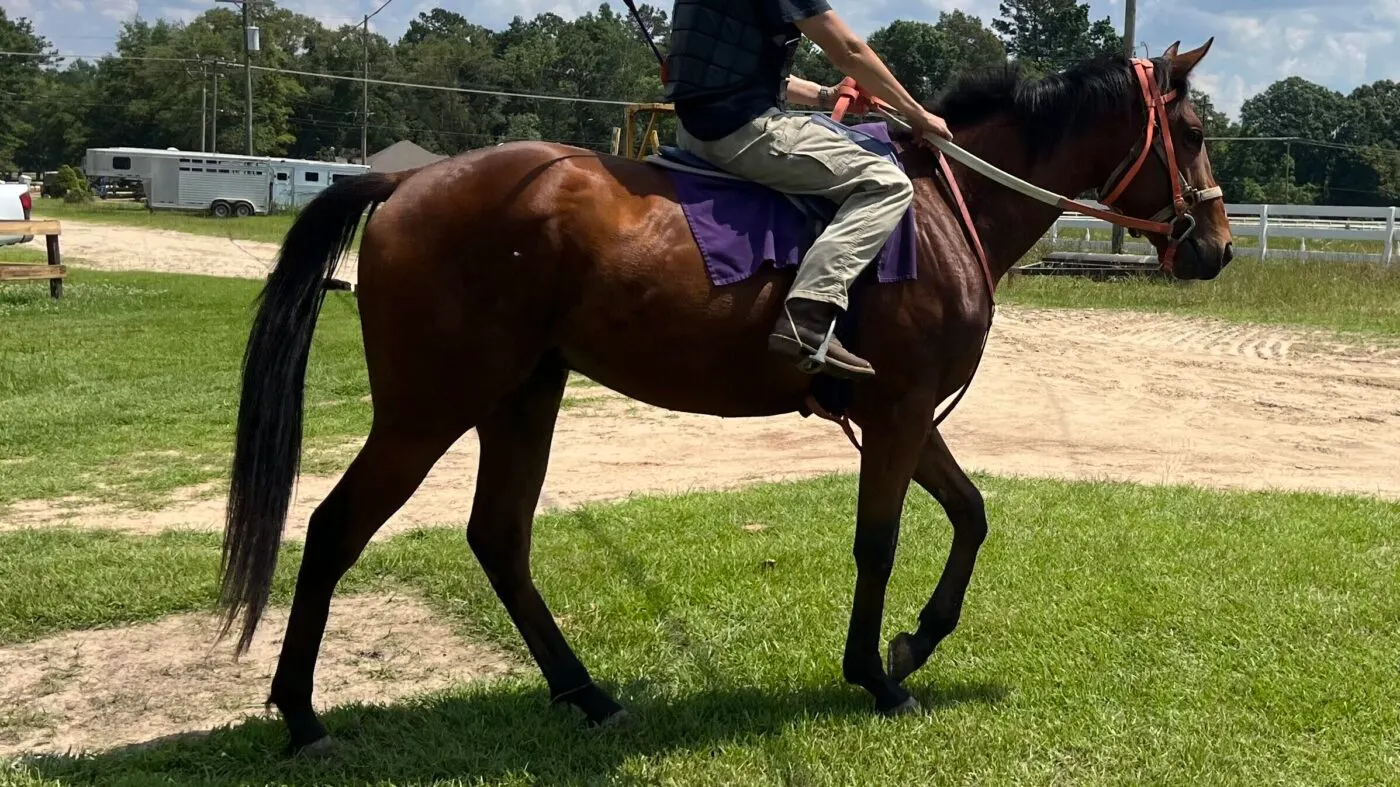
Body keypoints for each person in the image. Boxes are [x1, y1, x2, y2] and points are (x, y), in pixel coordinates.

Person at [664, 0, 953, 379]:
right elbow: (849, 50)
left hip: (693, 133)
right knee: (887, 183)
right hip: (740, 131)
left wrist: (825, 96)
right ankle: (809, 313)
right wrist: (917, 113)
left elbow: (742, 70)